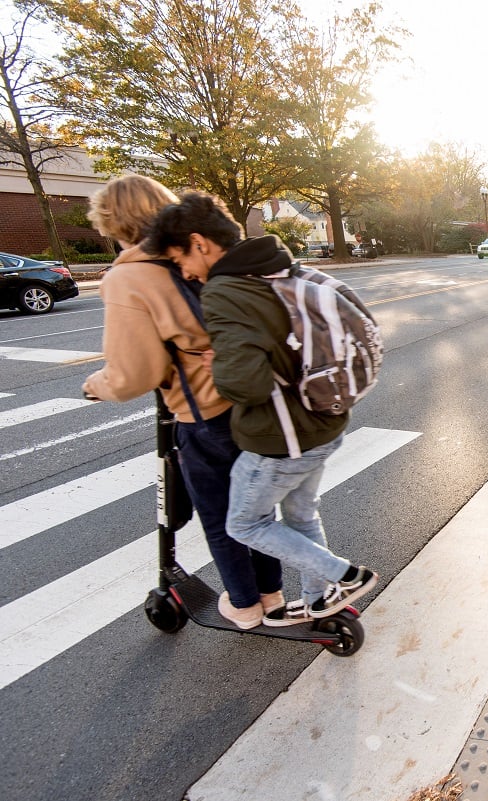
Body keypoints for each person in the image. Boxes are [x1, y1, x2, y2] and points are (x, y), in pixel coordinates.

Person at [145, 191, 378, 626]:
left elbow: (247, 386)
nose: (185, 272)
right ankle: (319, 599)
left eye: (180, 260)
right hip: (324, 423)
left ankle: (344, 575)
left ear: (199, 243)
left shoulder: (225, 290)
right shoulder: (274, 265)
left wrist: (219, 364)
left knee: (243, 525)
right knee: (301, 515)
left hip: (281, 437)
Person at [82, 175, 283, 630]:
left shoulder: (129, 277)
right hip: (251, 401)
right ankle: (272, 595)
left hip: (204, 413)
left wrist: (97, 385)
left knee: (220, 516)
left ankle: (245, 606)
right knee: (255, 508)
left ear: (113, 222)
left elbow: (136, 373)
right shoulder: (200, 253)